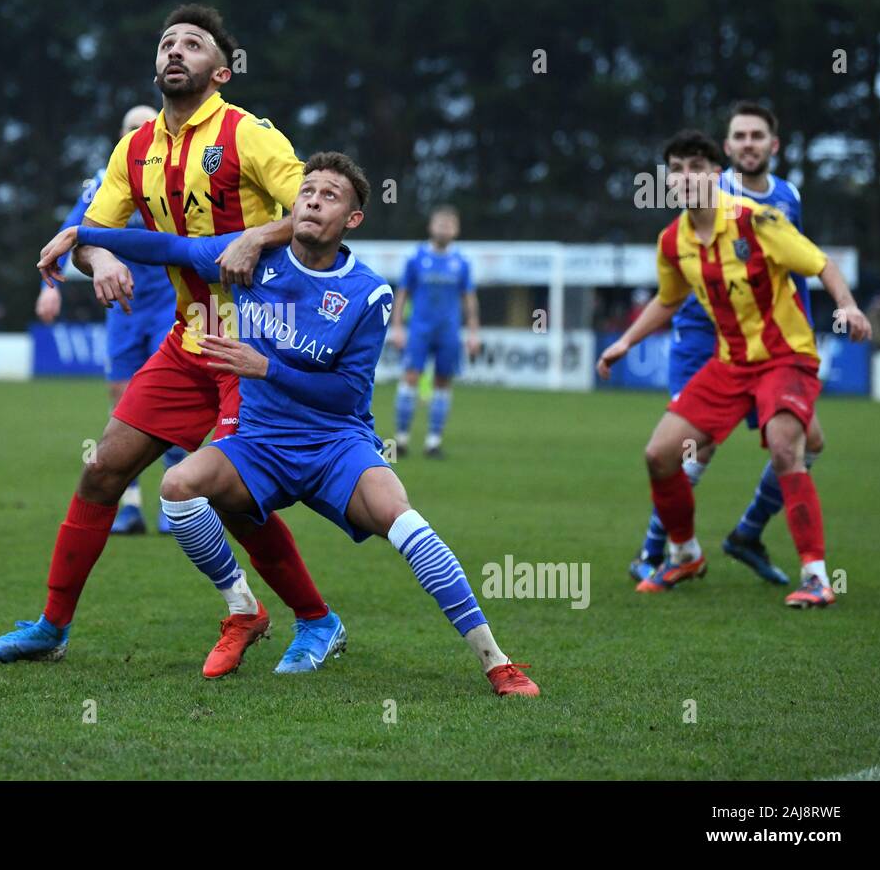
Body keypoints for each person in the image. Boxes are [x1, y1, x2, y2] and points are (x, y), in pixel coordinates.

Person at [38, 152, 539, 695]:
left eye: (330, 196)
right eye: (308, 192)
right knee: (179, 486)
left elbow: (347, 393)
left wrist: (266, 367)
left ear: (352, 220)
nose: (314, 201)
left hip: (335, 444)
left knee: (404, 521)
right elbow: (169, 248)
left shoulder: (368, 292)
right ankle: (243, 609)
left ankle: (496, 661)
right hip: (260, 445)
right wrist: (79, 234)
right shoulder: (248, 260)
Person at [0, 5, 336, 678]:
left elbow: (315, 209)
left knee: (233, 496)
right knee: (103, 469)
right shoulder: (134, 150)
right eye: (167, 42)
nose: (175, 50)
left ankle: (315, 620)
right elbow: (92, 234)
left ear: (220, 70)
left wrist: (257, 237)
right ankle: (51, 627)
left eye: (192, 44)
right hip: (187, 339)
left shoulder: (247, 135)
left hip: (254, 345)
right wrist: (100, 260)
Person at [598, 129, 871, 607]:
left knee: (790, 446)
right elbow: (669, 299)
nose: (686, 178)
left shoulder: (757, 222)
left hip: (786, 357)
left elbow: (820, 263)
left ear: (715, 175)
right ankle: (684, 553)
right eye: (676, 171)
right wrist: (624, 341)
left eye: (697, 168)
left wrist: (847, 306)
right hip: (731, 364)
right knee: (660, 454)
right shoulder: (672, 241)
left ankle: (815, 576)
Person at [627, 103, 823, 586]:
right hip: (707, 339)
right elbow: (676, 284)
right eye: (740, 137)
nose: (750, 144)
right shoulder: (712, 194)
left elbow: (790, 272)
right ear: (728, 151)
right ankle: (661, 551)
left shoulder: (786, 196)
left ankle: (747, 533)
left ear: (773, 145)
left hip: (768, 346)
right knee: (692, 448)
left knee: (806, 441)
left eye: (759, 135)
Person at [37, 104, 187, 534]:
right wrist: (49, 289)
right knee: (122, 403)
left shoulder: (175, 177)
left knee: (167, 401)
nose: (139, 133)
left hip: (170, 307)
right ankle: (131, 506)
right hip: (121, 310)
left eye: (146, 126)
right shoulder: (106, 182)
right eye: (130, 128)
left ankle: (173, 502)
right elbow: (70, 232)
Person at [388, 207, 480, 458]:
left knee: (442, 383)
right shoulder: (416, 258)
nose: (445, 228)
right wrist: (397, 327)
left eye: (450, 224)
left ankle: (433, 442)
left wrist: (473, 333)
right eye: (441, 223)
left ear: (457, 230)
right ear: (431, 227)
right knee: (410, 379)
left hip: (448, 332)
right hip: (419, 329)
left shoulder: (461, 262)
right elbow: (402, 293)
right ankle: (401, 439)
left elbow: (469, 298)